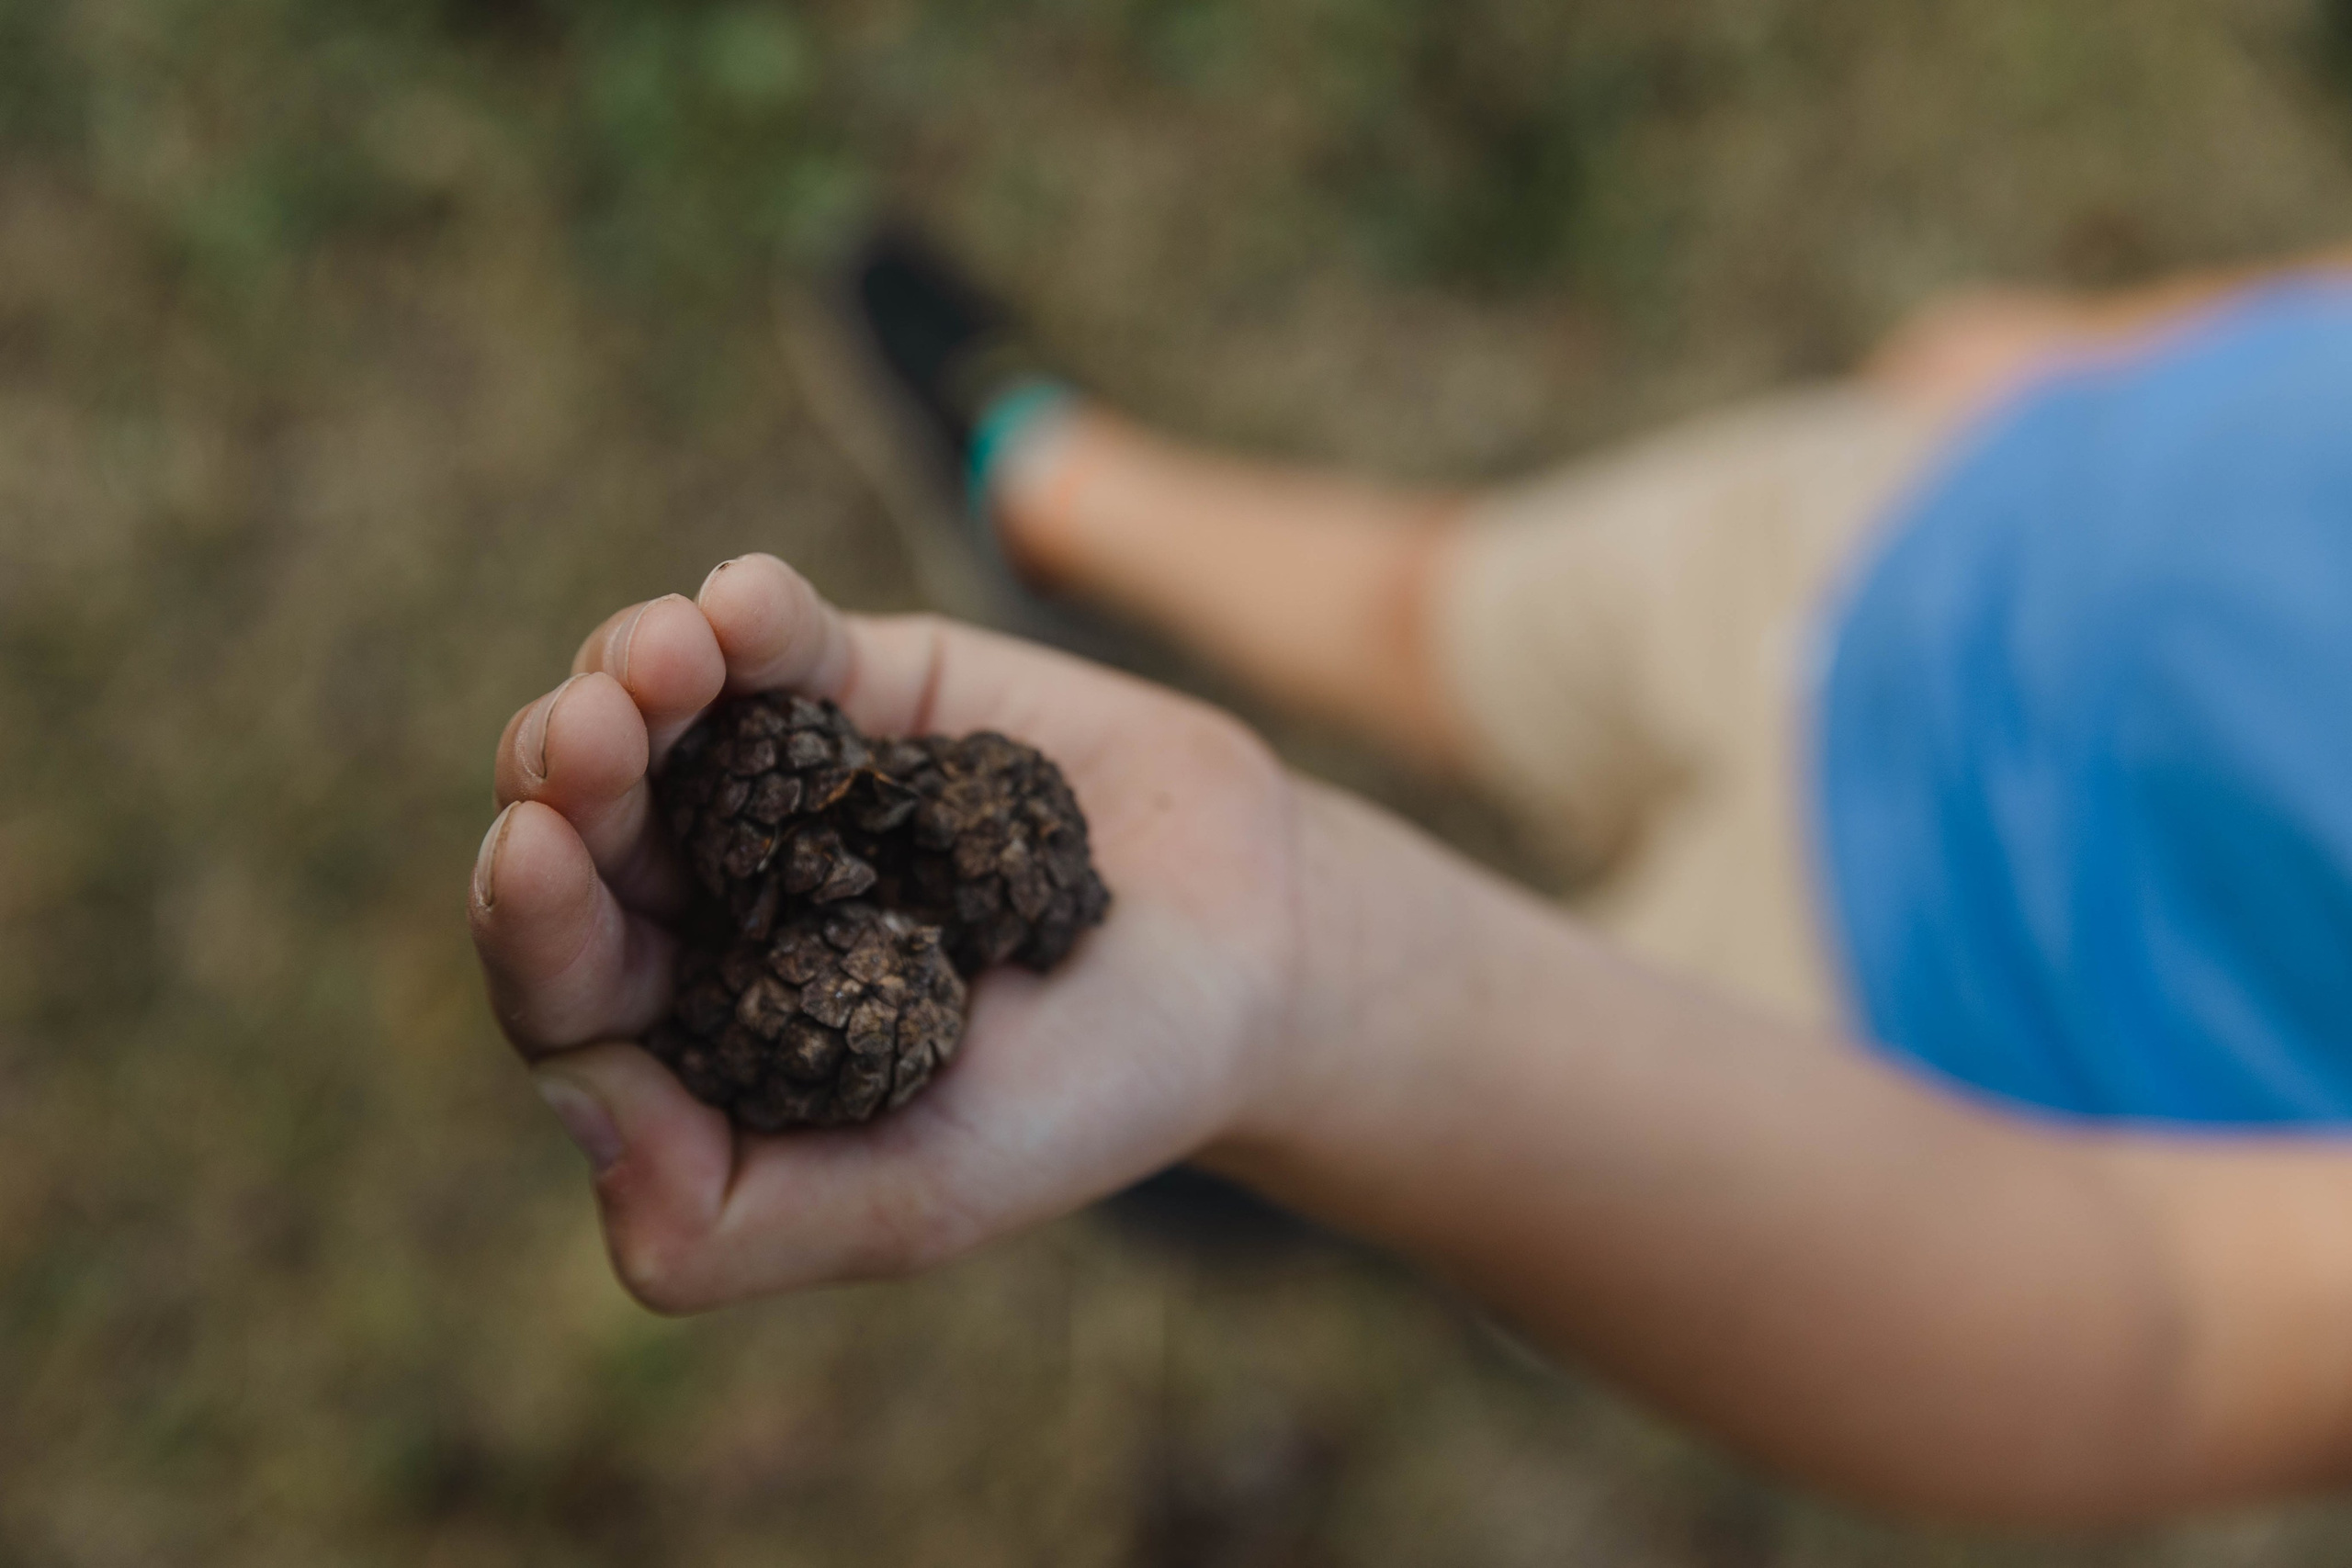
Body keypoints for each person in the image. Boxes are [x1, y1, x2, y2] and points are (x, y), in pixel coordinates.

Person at [469, 233, 2352, 1525]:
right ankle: (1033, 465)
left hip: (1884, 1034)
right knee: (1432, 599)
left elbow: (2149, 1326)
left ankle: (1282, 1161)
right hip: (1926, 523)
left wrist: (1320, 990)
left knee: (1463, 1147)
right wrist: (2128, 343)